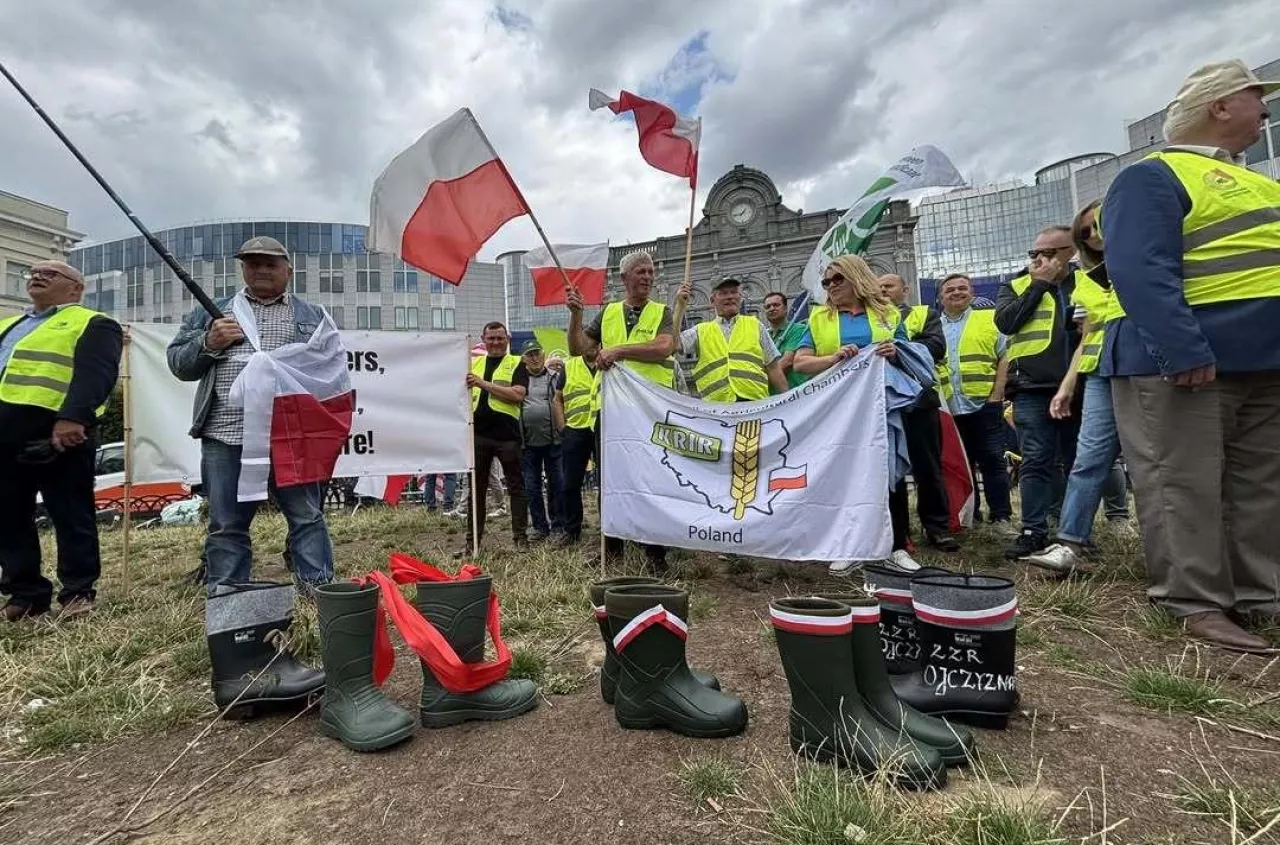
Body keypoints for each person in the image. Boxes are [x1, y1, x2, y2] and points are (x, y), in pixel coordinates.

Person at [1101, 59, 1280, 653]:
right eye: (1257, 97)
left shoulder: (1260, 182)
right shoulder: (1152, 175)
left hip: (1263, 358)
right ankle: (1197, 602)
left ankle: (1262, 594)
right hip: (1186, 361)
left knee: (1262, 483)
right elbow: (1140, 270)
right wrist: (1180, 348)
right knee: (1184, 483)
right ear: (1220, 105)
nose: (1266, 109)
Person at [168, 236, 337, 592]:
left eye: (270, 263)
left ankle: (319, 592)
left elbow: (331, 372)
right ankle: (227, 598)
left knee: (307, 516)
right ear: (243, 268)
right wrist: (208, 344)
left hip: (292, 436)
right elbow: (178, 364)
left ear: (288, 271)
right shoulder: (211, 312)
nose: (261, 269)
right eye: (252, 263)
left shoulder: (313, 315)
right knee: (226, 522)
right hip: (226, 435)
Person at [0, 260, 122, 621]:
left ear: (75, 288)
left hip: (58, 433)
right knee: (8, 516)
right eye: (33, 273)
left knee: (70, 514)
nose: (37, 276)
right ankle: (26, 594)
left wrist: (72, 419)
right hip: (4, 434)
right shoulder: (9, 325)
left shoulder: (92, 322)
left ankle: (78, 592)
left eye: (50, 273)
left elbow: (96, 375)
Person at [793, 254, 918, 575]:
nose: (831, 286)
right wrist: (834, 358)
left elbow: (910, 356)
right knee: (845, 474)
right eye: (826, 282)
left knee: (889, 473)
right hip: (837, 413)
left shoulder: (888, 314)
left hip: (881, 407)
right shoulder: (820, 318)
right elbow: (801, 364)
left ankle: (897, 546)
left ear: (856, 278)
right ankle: (849, 545)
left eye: (838, 279)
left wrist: (896, 351)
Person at [1026, 201, 1131, 574]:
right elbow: (1087, 337)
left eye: (1098, 225)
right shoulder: (1088, 281)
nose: (1093, 235)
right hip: (1101, 372)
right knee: (1088, 458)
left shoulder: (1148, 258)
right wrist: (1068, 385)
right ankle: (1071, 544)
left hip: (1149, 368)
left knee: (1153, 462)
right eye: (1084, 231)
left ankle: (1168, 545)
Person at [567, 250, 675, 571]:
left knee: (651, 479)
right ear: (624, 278)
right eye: (640, 271)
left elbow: (665, 347)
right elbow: (578, 349)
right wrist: (576, 315)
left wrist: (618, 350)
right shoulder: (608, 313)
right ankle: (610, 549)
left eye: (651, 272)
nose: (647, 277)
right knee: (610, 481)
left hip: (649, 411)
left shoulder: (662, 312)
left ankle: (655, 554)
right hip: (611, 410)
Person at [994, 227, 1084, 559]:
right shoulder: (1016, 285)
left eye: (1049, 253)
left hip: (1082, 385)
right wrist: (1040, 284)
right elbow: (1006, 323)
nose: (1039, 259)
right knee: (1036, 460)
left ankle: (1073, 532)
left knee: (1077, 461)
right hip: (1032, 389)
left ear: (1071, 253)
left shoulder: (1088, 283)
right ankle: (1033, 531)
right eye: (1034, 254)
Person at [879, 273, 959, 552]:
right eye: (877, 288)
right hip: (887, 404)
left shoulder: (924, 314)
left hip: (920, 402)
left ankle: (937, 527)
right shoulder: (871, 318)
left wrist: (900, 348)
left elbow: (936, 347)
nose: (883, 291)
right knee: (893, 470)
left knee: (928, 467)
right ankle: (900, 533)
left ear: (905, 288)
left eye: (888, 285)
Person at [936, 273, 1014, 533]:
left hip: (984, 403)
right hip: (950, 407)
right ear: (940, 297)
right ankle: (972, 515)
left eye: (962, 288)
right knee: (961, 463)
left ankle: (1001, 517)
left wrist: (998, 392)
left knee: (992, 460)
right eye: (950, 290)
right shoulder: (934, 326)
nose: (956, 293)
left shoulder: (988, 318)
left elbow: (1005, 355)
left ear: (971, 293)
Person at [465, 321, 529, 553]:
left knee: (516, 488)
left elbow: (517, 395)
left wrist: (482, 384)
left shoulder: (516, 363)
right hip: (478, 435)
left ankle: (521, 539)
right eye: (491, 338)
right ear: (483, 339)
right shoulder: (474, 363)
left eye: (500, 338)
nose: (495, 342)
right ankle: (472, 543)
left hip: (507, 436)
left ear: (508, 339)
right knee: (476, 491)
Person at [672, 276, 789, 400]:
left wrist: (787, 402)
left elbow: (773, 367)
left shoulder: (756, 325)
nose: (730, 297)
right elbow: (674, 344)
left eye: (734, 292)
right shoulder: (700, 330)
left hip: (754, 404)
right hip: (718, 409)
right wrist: (679, 308)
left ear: (741, 298)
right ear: (712, 300)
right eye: (723, 293)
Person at [519, 339, 564, 542]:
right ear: (523, 359)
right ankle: (539, 527)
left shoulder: (555, 377)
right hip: (527, 444)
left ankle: (558, 525)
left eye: (537, 353)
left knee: (558, 484)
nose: (535, 357)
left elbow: (562, 401)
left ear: (544, 355)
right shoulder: (518, 379)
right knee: (531, 487)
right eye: (530, 354)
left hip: (554, 441)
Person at [555, 346, 600, 547]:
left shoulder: (610, 361)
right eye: (586, 342)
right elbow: (558, 399)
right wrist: (562, 428)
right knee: (570, 484)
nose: (591, 346)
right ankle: (571, 530)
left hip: (603, 429)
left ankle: (609, 531)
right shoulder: (569, 366)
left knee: (608, 485)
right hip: (575, 430)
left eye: (595, 342)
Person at [762, 291, 809, 388]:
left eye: (776, 305)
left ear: (785, 308)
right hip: (769, 397)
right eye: (768, 307)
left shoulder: (798, 329)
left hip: (793, 393)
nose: (772, 308)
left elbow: (787, 361)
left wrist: (759, 379)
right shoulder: (764, 335)